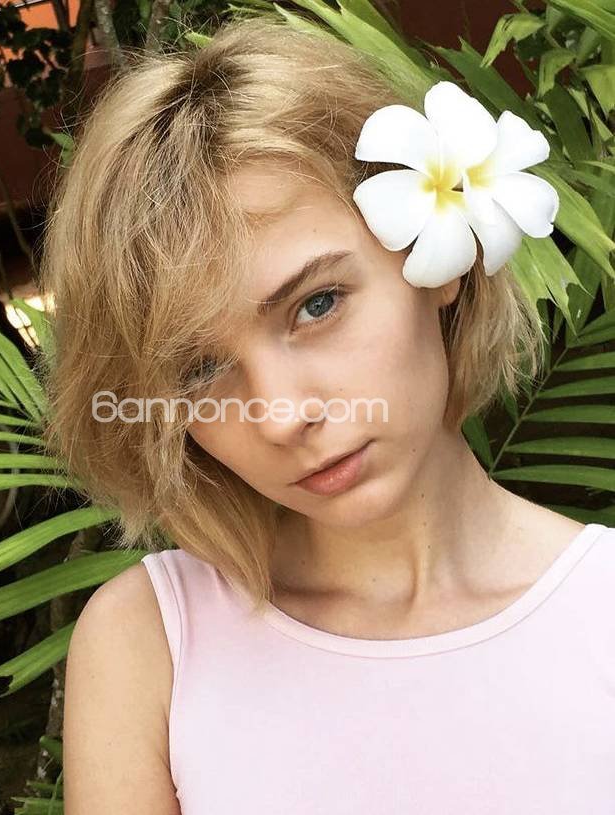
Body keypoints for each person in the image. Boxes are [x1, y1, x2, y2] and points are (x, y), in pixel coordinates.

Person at [38, 15, 615, 814]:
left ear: (437, 259)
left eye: (316, 304)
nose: (280, 415)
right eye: (198, 369)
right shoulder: (150, 646)